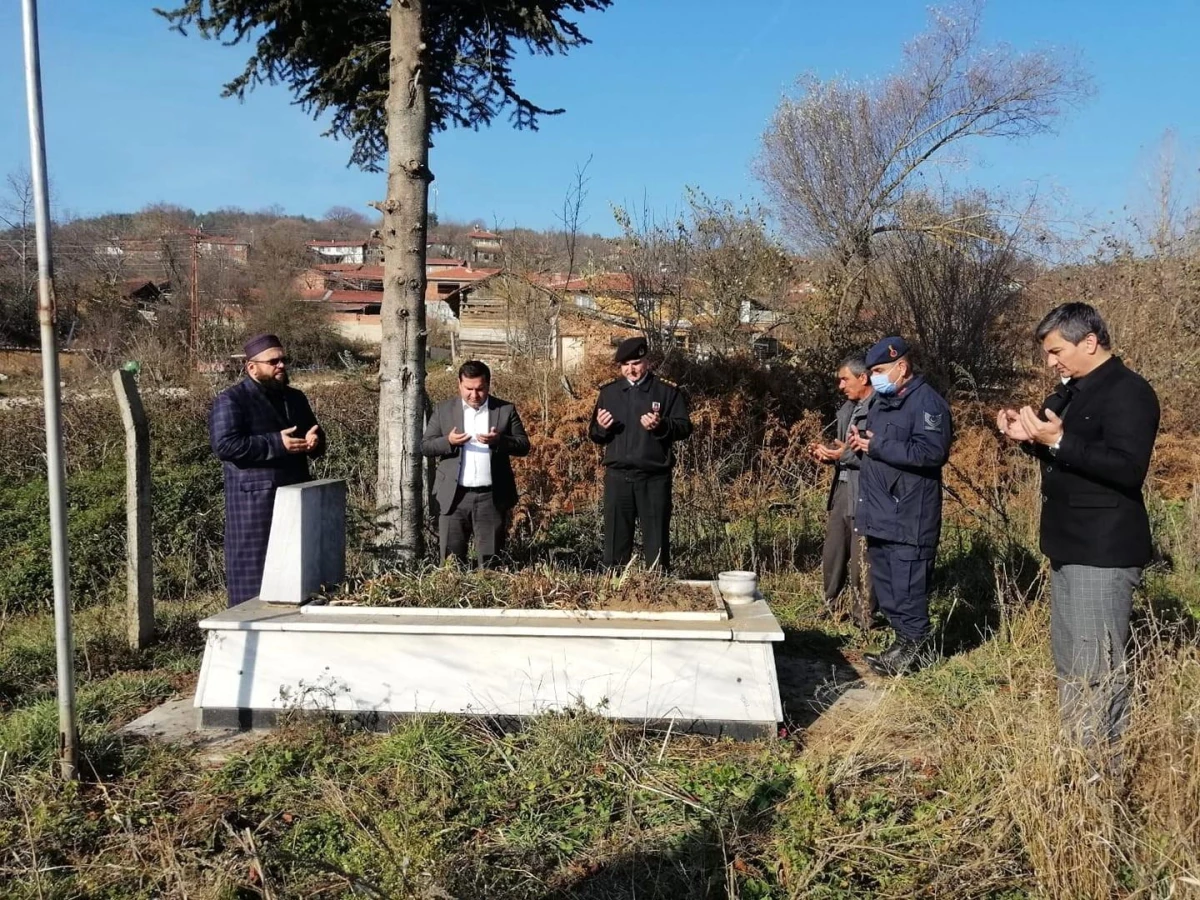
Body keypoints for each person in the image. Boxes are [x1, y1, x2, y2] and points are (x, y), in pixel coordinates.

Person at [997, 302, 1159, 750]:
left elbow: (1127, 469)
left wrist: (1060, 440)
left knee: (1096, 667)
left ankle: (1099, 770)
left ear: (1089, 341)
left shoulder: (1128, 391)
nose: (1051, 362)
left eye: (1056, 351)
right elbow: (1066, 458)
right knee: (1071, 662)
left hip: (1102, 551)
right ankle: (1075, 753)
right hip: (1068, 545)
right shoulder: (1073, 392)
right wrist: (1029, 439)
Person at [850, 336, 952, 676]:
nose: (875, 377)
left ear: (902, 367)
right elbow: (875, 445)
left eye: (879, 370)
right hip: (879, 511)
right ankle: (900, 644)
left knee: (909, 587)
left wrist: (878, 446)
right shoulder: (881, 401)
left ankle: (917, 651)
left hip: (910, 514)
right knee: (889, 586)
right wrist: (861, 444)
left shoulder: (927, 404)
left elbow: (931, 453)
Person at [210, 334, 325, 606]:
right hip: (254, 506)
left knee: (296, 576)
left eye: (284, 360)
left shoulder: (295, 398)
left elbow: (315, 433)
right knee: (254, 583)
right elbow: (225, 445)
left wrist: (314, 442)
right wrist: (277, 443)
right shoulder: (232, 400)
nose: (281, 365)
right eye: (273, 361)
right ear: (252, 367)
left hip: (296, 497)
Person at [588, 336, 693, 570]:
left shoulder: (666, 392)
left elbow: (684, 427)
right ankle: (614, 589)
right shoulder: (610, 393)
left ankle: (656, 588)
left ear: (647, 362)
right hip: (618, 478)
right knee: (615, 542)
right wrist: (602, 428)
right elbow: (594, 434)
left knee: (656, 541)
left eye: (635, 363)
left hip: (653, 478)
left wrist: (662, 425)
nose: (631, 369)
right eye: (625, 365)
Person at [421, 360, 530, 566]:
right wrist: (448, 442)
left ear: (488, 384)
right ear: (459, 384)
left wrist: (500, 441)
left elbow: (523, 445)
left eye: (480, 389)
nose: (474, 395)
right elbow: (425, 447)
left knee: (490, 563)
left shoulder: (504, 410)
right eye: (468, 389)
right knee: (451, 563)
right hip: (454, 497)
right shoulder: (444, 410)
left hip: (491, 497)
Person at [810, 354, 878, 629]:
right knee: (834, 549)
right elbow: (846, 449)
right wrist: (829, 455)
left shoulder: (880, 409)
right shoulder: (847, 409)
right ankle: (832, 606)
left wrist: (843, 455)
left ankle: (864, 616)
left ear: (863, 378)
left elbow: (876, 451)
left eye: (844, 379)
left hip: (866, 490)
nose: (840, 385)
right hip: (843, 486)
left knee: (862, 555)